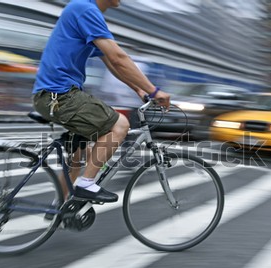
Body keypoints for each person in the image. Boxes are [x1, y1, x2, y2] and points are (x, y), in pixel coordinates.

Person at [33, 0, 170, 203]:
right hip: (60, 95)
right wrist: (154, 90)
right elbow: (118, 58)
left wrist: (140, 90)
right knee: (120, 124)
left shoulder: (85, 10)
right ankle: (86, 184)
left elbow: (111, 64)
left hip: (54, 95)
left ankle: (60, 210)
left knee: (77, 156)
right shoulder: (85, 9)